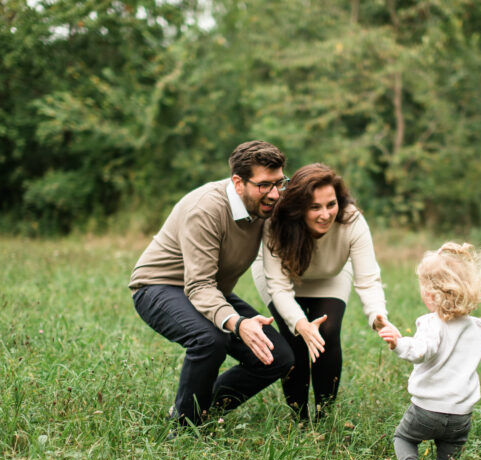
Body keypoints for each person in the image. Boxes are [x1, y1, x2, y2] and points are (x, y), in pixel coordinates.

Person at [129, 141, 295, 428]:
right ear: (237, 182)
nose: (274, 193)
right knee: (210, 340)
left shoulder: (266, 205)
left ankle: (199, 410)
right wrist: (238, 323)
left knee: (278, 357)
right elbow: (199, 285)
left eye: (279, 183)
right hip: (158, 286)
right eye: (264, 185)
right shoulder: (206, 210)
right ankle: (183, 427)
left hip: (211, 292)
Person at [378, 242, 481, 460]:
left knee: (403, 438)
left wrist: (398, 343)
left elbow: (422, 350)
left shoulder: (431, 324)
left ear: (433, 295)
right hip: (460, 416)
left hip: (426, 410)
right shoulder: (478, 327)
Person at [251, 162, 394, 421]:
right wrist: (300, 323)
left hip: (330, 274)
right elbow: (280, 288)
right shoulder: (276, 224)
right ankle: (299, 417)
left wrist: (377, 315)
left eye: (330, 204)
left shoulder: (351, 220)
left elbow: (368, 278)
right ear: (298, 208)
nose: (325, 214)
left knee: (326, 333)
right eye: (314, 207)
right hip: (281, 279)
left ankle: (323, 415)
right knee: (295, 338)